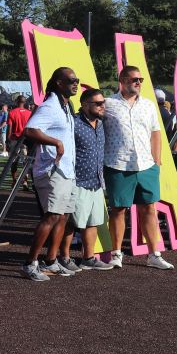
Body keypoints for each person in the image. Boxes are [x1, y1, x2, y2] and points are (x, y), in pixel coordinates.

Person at [103, 66, 173, 270]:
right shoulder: (108, 104)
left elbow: (156, 133)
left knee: (149, 209)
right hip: (117, 164)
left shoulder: (150, 105)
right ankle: (116, 254)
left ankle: (154, 254)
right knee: (118, 210)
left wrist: (157, 161)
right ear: (122, 80)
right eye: (135, 79)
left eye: (141, 79)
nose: (139, 83)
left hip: (146, 165)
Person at [20, 68, 80, 281]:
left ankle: (51, 260)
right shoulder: (50, 106)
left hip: (66, 170)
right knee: (52, 216)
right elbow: (30, 130)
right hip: (52, 170)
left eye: (77, 80)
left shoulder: (65, 107)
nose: (76, 84)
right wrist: (55, 142)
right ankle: (30, 263)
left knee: (63, 216)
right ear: (58, 83)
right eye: (71, 80)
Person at [57, 88, 113, 271]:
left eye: (102, 102)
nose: (102, 106)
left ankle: (88, 258)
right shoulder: (73, 122)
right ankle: (64, 258)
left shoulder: (101, 122)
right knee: (71, 222)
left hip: (96, 181)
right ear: (84, 104)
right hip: (77, 180)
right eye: (97, 103)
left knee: (93, 221)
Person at [156, 90, 177, 183]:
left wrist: (174, 151)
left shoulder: (158, 112)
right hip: (173, 147)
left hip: (165, 147)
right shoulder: (168, 113)